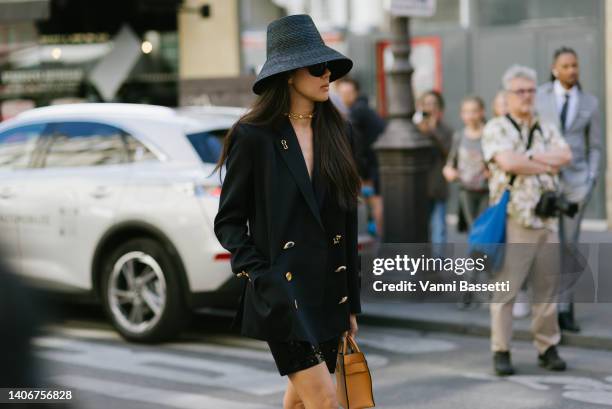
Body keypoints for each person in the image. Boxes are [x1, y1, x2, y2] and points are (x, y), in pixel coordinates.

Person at [213, 15, 361, 409]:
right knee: (326, 401)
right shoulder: (254, 136)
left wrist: (352, 304)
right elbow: (228, 221)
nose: (327, 73)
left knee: (299, 403)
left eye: (328, 65)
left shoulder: (338, 131)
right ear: (290, 74)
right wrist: (264, 277)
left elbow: (347, 222)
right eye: (317, 67)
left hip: (329, 292)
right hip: (284, 293)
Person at [482, 65, 572, 376]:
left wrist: (528, 161)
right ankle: (501, 350)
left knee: (547, 290)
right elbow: (507, 161)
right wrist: (543, 161)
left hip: (547, 219)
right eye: (520, 91)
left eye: (531, 91)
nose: (526, 96)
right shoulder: (496, 127)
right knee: (506, 290)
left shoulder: (546, 125)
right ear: (507, 95)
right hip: (514, 219)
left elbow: (566, 155)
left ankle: (548, 347)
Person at [536, 46, 602, 333]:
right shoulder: (539, 96)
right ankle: (544, 309)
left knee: (568, 247)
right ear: (555, 69)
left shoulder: (590, 102)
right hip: (545, 184)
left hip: (576, 186)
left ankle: (565, 309)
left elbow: (596, 146)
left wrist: (589, 181)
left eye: (575, 65)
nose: (572, 70)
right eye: (566, 66)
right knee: (545, 247)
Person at [336, 76, 386, 237]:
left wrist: (362, 172)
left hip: (375, 162)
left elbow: (358, 145)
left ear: (355, 93)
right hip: (376, 160)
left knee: (376, 200)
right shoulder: (362, 107)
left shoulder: (357, 111)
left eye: (348, 92)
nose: (344, 96)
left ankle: (381, 239)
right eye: (342, 93)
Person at [414, 90, 454, 246]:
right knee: (421, 226)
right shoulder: (414, 129)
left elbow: (448, 152)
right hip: (420, 185)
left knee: (439, 227)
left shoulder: (446, 130)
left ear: (440, 108)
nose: (430, 108)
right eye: (427, 104)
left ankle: (438, 263)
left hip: (438, 185)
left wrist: (433, 131)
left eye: (434, 104)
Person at [443, 96, 489, 228]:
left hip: (486, 190)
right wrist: (449, 171)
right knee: (472, 228)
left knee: (484, 228)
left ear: (482, 112)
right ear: (461, 114)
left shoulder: (489, 133)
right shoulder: (459, 136)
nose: (470, 116)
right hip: (466, 190)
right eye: (466, 112)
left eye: (474, 111)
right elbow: (451, 162)